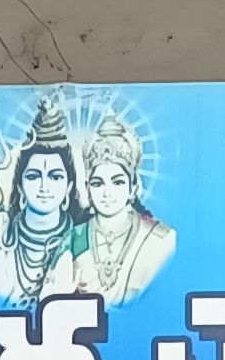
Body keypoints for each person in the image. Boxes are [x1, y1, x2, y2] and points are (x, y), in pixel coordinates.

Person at [0, 118, 85, 304]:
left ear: (69, 188)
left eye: (55, 176)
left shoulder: (84, 245)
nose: (44, 187)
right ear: (20, 188)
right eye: (34, 176)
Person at [65, 124, 175, 303]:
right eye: (98, 183)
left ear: (133, 188)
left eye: (117, 183)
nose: (107, 193)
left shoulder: (161, 239)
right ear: (88, 189)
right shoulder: (72, 239)